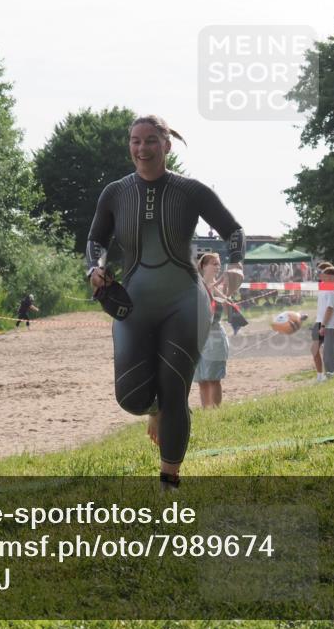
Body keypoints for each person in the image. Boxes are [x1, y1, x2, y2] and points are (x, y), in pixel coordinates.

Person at [86, 115, 244, 489]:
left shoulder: (190, 190)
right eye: (135, 141)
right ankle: (154, 410)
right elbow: (96, 240)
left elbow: (233, 230)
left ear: (167, 145)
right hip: (134, 302)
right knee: (131, 397)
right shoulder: (115, 192)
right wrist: (95, 268)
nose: (142, 148)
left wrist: (236, 265)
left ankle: (169, 481)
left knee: (175, 389)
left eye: (151, 141)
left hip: (184, 301)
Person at [195, 253, 229, 409]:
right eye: (214, 263)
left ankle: (216, 414)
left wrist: (216, 287)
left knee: (213, 378)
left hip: (214, 336)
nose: (218, 266)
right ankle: (206, 413)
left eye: (218, 263)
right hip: (197, 338)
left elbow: (226, 304)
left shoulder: (220, 287)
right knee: (202, 380)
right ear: (203, 266)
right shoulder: (195, 285)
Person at [317, 267, 334, 379]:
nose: (321, 277)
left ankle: (330, 376)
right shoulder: (333, 288)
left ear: (330, 277)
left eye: (324, 275)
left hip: (332, 325)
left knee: (329, 354)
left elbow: (329, 309)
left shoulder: (333, 290)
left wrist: (323, 325)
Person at [310, 261, 334, 383]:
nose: (318, 274)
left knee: (327, 351)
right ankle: (320, 375)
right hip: (319, 320)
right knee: (314, 350)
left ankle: (326, 375)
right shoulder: (321, 286)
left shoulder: (331, 288)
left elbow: (330, 308)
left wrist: (324, 324)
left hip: (326, 322)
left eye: (320, 272)